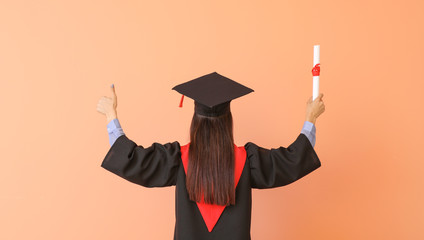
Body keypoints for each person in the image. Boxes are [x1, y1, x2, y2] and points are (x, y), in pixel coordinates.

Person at [96, 72, 325, 240]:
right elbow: (292, 160)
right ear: (228, 121)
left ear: (196, 121)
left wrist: (111, 115)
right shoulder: (248, 161)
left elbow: (134, 159)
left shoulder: (176, 159)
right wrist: (310, 119)